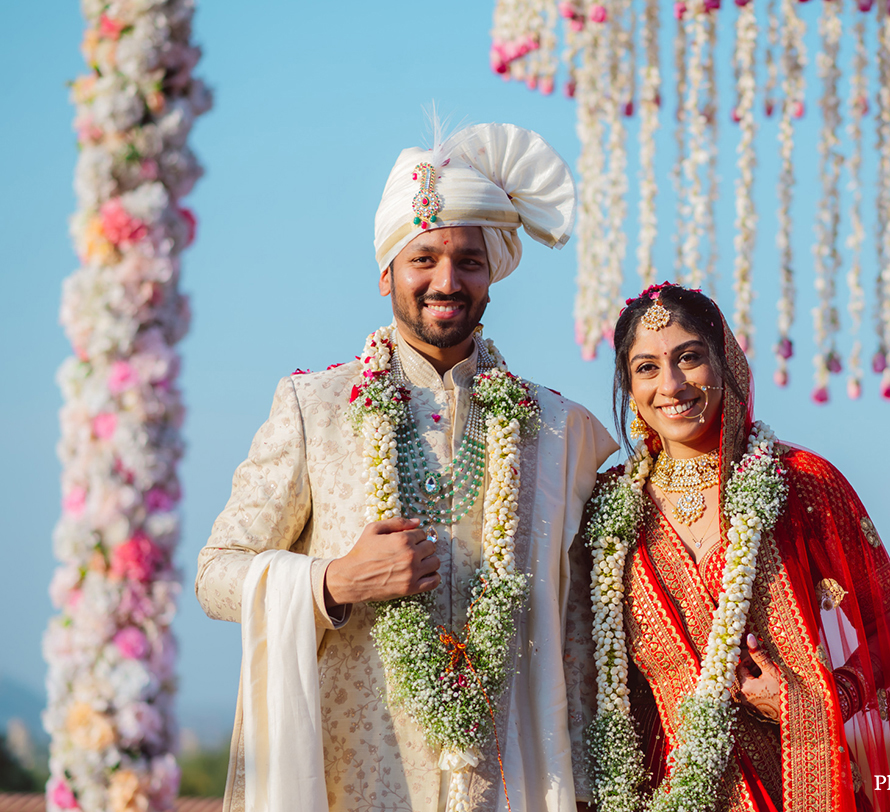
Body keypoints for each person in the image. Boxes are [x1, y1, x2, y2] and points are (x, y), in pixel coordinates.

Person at [196, 121, 616, 812]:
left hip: (507, 780)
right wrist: (333, 580)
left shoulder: (560, 429)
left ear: (493, 275)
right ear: (387, 270)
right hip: (356, 777)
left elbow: (585, 627)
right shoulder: (315, 406)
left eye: (469, 261)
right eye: (424, 258)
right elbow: (217, 574)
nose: (446, 280)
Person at [581, 284, 890, 812]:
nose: (671, 384)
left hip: (799, 780)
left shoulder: (802, 483)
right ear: (629, 385)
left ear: (725, 361)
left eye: (689, 358)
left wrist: (811, 699)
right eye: (646, 367)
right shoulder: (609, 508)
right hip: (663, 792)